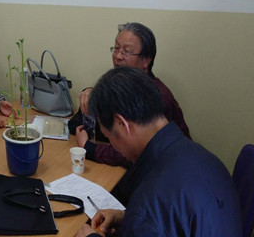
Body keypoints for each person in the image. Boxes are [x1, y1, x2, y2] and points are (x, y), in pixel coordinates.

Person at [76, 67, 241, 237]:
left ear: (121, 123)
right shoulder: (204, 158)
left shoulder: (148, 203)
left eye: (108, 136)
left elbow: (155, 218)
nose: (113, 145)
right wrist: (127, 218)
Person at [74, 22, 190, 168]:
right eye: (116, 48)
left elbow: (135, 153)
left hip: (169, 169)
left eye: (127, 51)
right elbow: (82, 126)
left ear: (146, 60)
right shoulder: (121, 87)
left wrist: (89, 148)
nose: (117, 56)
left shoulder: (157, 96)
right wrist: (93, 95)